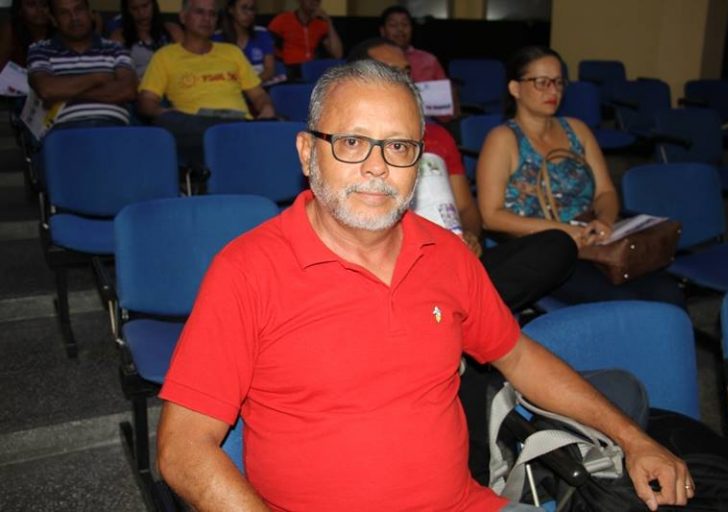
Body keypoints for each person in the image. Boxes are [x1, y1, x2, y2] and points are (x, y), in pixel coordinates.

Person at [156, 59, 694, 512]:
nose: (377, 168)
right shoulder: (247, 271)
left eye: (398, 146)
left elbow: (519, 357)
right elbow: (183, 449)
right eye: (351, 142)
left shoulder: (445, 255)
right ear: (306, 152)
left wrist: (633, 439)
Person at [347, 37, 576, 313]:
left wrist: (470, 235)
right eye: (392, 73)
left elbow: (467, 209)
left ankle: (453, 313)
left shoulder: (437, 136)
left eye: (407, 72)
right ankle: (457, 314)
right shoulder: (349, 143)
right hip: (398, 267)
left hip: (455, 261)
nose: (406, 81)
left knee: (557, 245)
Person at [476, 46, 686, 308]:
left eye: (558, 82)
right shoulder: (503, 140)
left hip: (593, 242)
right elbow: (491, 216)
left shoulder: (578, 130)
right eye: (541, 82)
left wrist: (605, 221)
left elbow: (605, 192)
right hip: (543, 253)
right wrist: (565, 231)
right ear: (515, 88)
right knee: (623, 303)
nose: (553, 91)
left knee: (668, 293)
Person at [137, 0, 274, 166]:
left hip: (237, 122)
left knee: (281, 127)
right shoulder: (165, 56)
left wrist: (266, 107)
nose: (207, 19)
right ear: (183, 17)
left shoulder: (232, 52)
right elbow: (146, 101)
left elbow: (258, 95)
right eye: (200, 12)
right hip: (195, 126)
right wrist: (162, 111)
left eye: (212, 14)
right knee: (167, 123)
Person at [27, 0, 137, 130]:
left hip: (113, 129)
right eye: (64, 13)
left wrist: (63, 94)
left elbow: (127, 91)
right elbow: (47, 90)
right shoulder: (40, 50)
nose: (74, 18)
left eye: (79, 9)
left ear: (90, 13)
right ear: (54, 20)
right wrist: (97, 78)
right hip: (65, 131)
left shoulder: (115, 49)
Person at [267, 0, 342, 80]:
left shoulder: (320, 24)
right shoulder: (283, 19)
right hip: (289, 68)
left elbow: (337, 54)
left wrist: (329, 22)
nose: (314, 2)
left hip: (311, 68)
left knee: (339, 68)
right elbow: (266, 44)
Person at [109, 0, 183, 78]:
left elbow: (186, 61)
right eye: (134, 9)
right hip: (137, 82)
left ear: (153, 5)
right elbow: (115, 74)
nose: (141, 13)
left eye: (145, 6)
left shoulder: (172, 30)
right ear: (127, 11)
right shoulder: (118, 36)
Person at [378, 5, 445, 83]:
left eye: (405, 24)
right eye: (393, 25)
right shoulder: (373, 61)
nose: (400, 29)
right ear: (382, 31)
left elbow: (444, 89)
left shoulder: (430, 61)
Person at [213, 0, 275, 83]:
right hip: (230, 86)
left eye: (252, 9)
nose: (249, 13)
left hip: (260, 85)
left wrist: (251, 85)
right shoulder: (216, 38)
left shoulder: (262, 33)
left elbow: (269, 70)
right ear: (231, 10)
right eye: (244, 8)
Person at [0, 0, 52, 70]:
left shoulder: (60, 30)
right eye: (31, 4)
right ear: (20, 10)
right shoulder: (12, 29)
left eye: (44, 4)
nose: (40, 9)